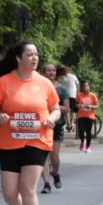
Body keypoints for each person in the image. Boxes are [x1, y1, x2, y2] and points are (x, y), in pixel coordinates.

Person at [0, 42, 60, 205]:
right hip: (9, 141)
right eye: (30, 54)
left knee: (28, 188)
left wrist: (52, 119)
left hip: (37, 140)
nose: (35, 58)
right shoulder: (4, 82)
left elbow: (55, 108)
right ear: (19, 59)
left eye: (36, 54)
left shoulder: (45, 83)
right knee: (9, 192)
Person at [39, 63, 69, 194]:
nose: (51, 73)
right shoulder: (38, 87)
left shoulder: (62, 90)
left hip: (57, 125)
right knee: (43, 156)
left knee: (54, 157)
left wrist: (53, 106)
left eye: (53, 71)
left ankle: (55, 173)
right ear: (44, 72)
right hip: (42, 125)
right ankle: (46, 183)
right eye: (48, 70)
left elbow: (66, 109)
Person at [75, 81, 99, 152]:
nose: (85, 87)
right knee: (81, 132)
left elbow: (97, 106)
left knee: (88, 132)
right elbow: (76, 105)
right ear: (82, 87)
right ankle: (82, 141)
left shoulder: (93, 95)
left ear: (89, 87)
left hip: (90, 116)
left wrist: (91, 106)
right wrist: (80, 105)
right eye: (84, 86)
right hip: (81, 116)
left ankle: (88, 147)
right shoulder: (79, 95)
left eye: (87, 86)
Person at [58, 65, 79, 131]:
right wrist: (78, 92)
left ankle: (68, 123)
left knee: (66, 109)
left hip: (65, 95)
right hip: (73, 94)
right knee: (73, 110)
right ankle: (72, 123)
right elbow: (78, 84)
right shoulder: (73, 76)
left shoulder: (60, 77)